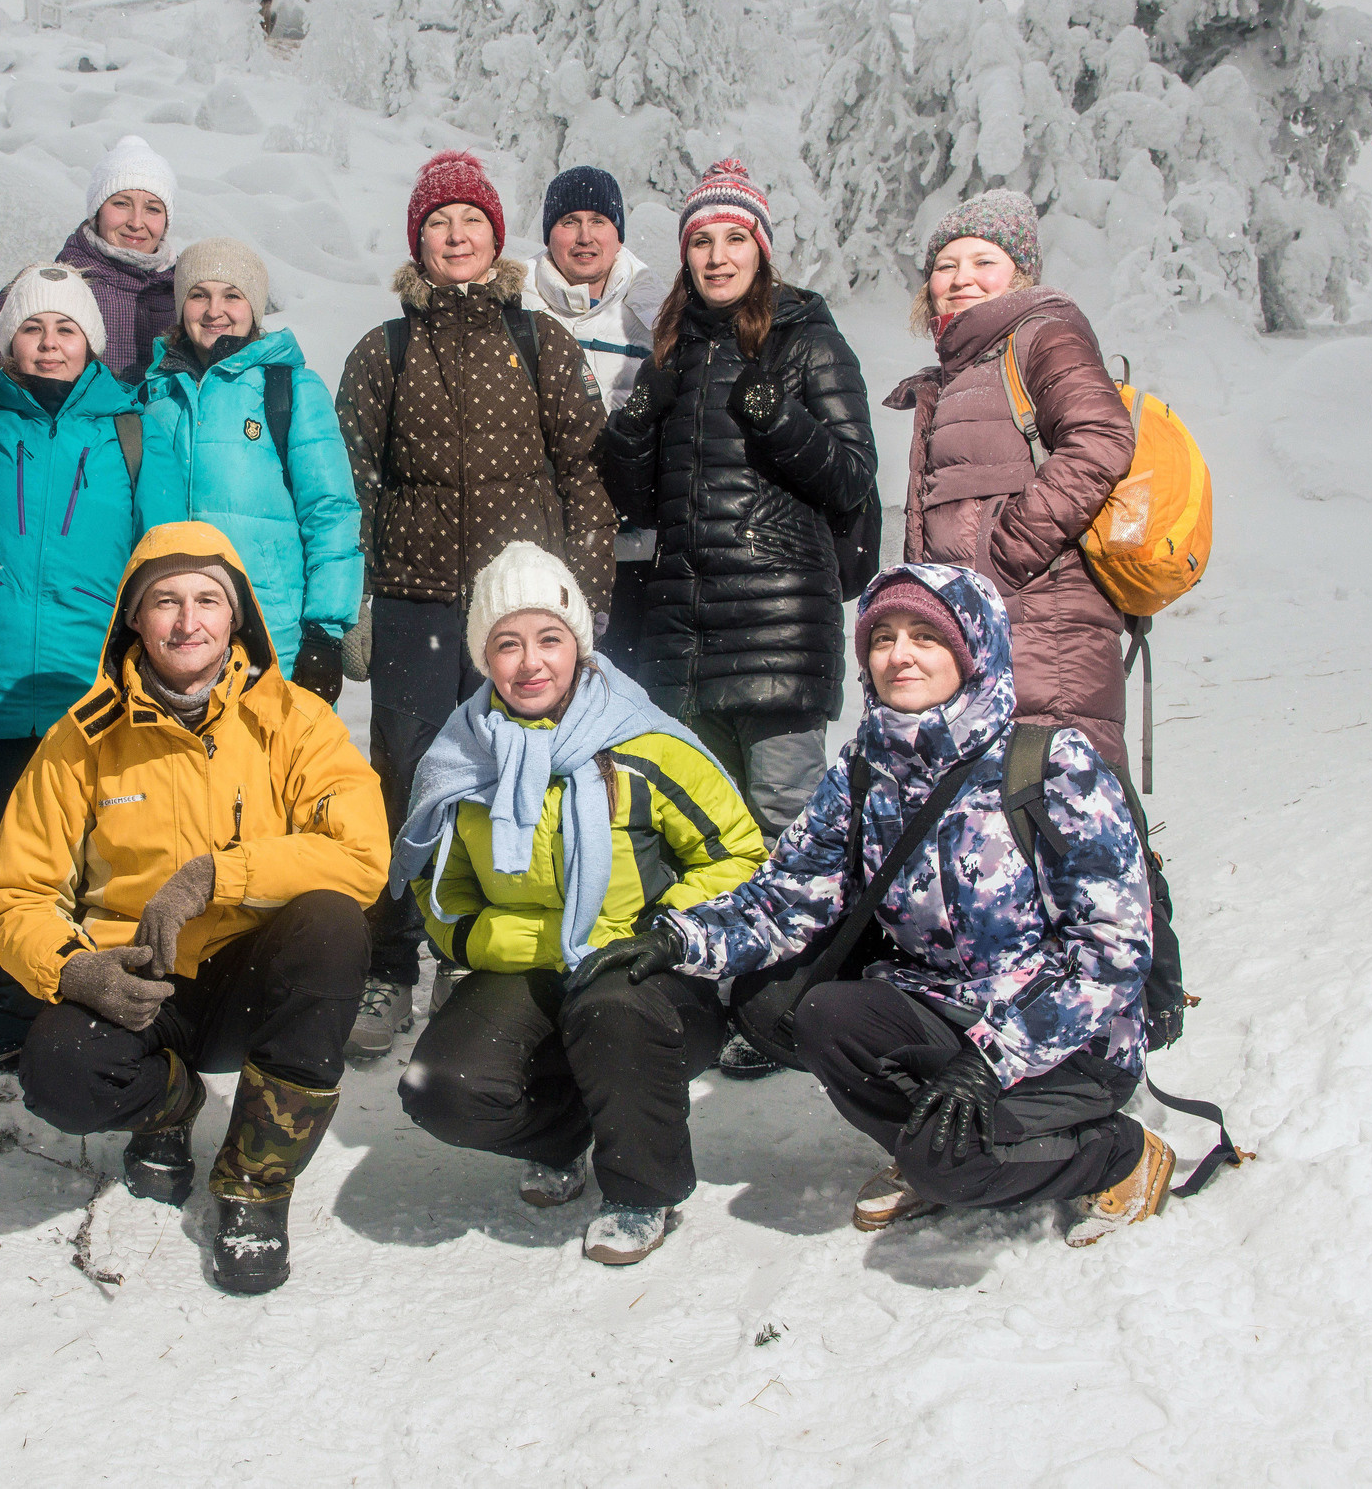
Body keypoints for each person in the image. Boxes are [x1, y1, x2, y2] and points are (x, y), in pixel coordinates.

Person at [582, 563, 1173, 1247]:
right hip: (946, 1006)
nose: (900, 653)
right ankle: (944, 1139)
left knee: (947, 1163)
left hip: (1068, 1038)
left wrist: (994, 1058)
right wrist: (682, 938)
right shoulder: (865, 767)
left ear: (974, 647)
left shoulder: (1052, 766)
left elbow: (1112, 954)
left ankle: (1117, 1153)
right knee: (786, 1004)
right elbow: (787, 897)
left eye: (926, 634)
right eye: (883, 635)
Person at [0, 523, 387, 1294]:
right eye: (164, 600)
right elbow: (11, 893)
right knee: (60, 1074)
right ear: (135, 617)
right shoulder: (82, 738)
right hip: (137, 983)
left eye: (207, 599)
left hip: (250, 977)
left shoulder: (294, 719)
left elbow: (362, 855)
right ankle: (169, 1106)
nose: (186, 620)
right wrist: (74, 971)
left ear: (237, 618)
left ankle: (254, 1185)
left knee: (332, 923)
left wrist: (217, 875)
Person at [394, 542, 763, 1265]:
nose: (530, 661)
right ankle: (565, 1134)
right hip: (526, 965)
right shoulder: (463, 755)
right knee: (441, 1088)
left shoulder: (643, 743)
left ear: (579, 645)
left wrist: (662, 930)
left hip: (645, 974)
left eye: (548, 639)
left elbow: (740, 855)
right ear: (483, 656)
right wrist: (479, 939)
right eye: (508, 643)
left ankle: (641, 1188)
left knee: (608, 1007)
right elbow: (436, 884)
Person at [596, 159, 876, 1082]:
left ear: (761, 246)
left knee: (789, 822)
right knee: (710, 832)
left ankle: (801, 1005)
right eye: (700, 241)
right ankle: (724, 996)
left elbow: (850, 477)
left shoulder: (808, 338)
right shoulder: (676, 349)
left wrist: (780, 418)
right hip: (689, 628)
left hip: (781, 624)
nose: (717, 256)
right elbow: (641, 502)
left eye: (732, 239)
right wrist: (636, 425)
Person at [334, 150, 618, 1058]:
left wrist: (585, 604)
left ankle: (477, 958)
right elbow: (354, 483)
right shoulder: (385, 349)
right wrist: (358, 600)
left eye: (471, 223)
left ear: (497, 237)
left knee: (513, 779)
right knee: (408, 775)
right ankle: (390, 962)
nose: (455, 238)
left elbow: (586, 476)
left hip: (518, 609)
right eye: (437, 225)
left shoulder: (540, 341)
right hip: (416, 601)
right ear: (417, 244)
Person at [0, 262, 156, 1070]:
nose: (49, 343)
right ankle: (5, 1005)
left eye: (66, 328)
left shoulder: (128, 432)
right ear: (7, 342)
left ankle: (78, 999)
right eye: (31, 328)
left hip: (88, 687)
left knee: (87, 862)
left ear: (92, 343)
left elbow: (157, 560)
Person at [883, 189, 1137, 773]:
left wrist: (1009, 551)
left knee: (1067, 819)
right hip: (986, 634)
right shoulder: (959, 372)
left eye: (983, 262)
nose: (960, 277)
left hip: (1046, 633)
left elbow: (1101, 438)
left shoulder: (1043, 336)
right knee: (995, 836)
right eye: (945, 266)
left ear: (1019, 274)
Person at [136, 238, 362, 699]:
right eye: (199, 294)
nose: (214, 309)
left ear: (254, 308)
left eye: (232, 295)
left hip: (272, 635)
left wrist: (325, 631)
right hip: (175, 639)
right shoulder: (151, 397)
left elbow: (331, 512)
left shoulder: (290, 388)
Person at [520, 166, 670, 672]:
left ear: (618, 233)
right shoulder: (514, 302)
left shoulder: (656, 311)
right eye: (569, 221)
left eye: (598, 221)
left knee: (615, 705)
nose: (584, 236)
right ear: (548, 235)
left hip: (627, 551)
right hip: (533, 546)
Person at [0, 134, 178, 387]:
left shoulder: (189, 293)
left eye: (152, 209)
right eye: (121, 204)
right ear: (97, 211)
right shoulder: (46, 284)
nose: (136, 222)